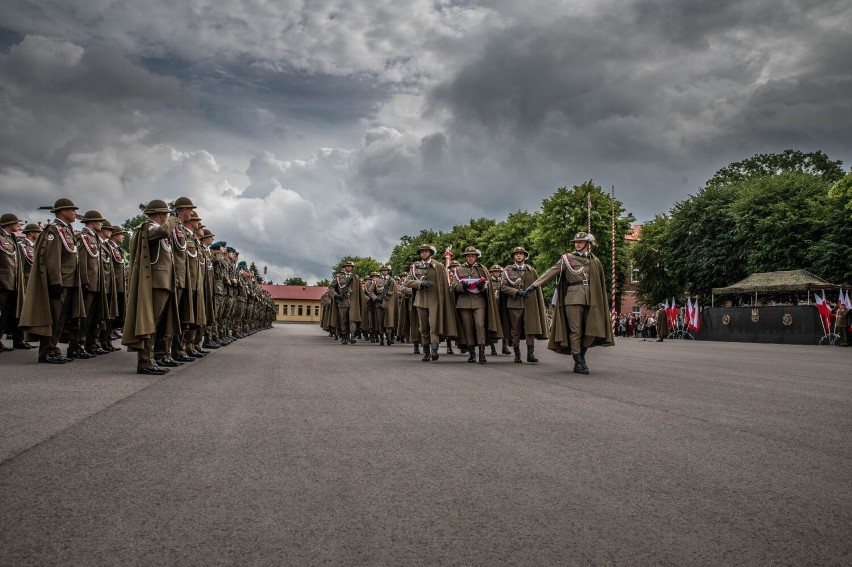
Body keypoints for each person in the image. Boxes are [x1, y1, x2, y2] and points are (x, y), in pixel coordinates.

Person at [520, 232, 614, 374]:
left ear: (588, 244)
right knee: (576, 330)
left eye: (581, 242)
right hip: (573, 297)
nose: (577, 244)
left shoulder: (595, 261)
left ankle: (581, 355)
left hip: (592, 298)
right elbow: (550, 272)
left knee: (592, 329)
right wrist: (533, 286)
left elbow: (600, 282)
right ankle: (578, 361)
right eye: (576, 242)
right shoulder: (567, 259)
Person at [20, 198, 86, 364]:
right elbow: (52, 258)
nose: (75, 213)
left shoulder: (67, 230)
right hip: (61, 281)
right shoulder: (54, 231)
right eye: (72, 210)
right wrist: (56, 281)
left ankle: (53, 348)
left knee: (62, 319)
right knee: (54, 317)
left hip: (70, 281)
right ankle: (46, 351)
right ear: (63, 211)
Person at [121, 199, 181, 375]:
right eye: (167, 214)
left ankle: (152, 357)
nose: (169, 217)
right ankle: (145, 361)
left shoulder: (156, 228)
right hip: (155, 283)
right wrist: (174, 219)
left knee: (156, 324)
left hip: (163, 282)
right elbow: (162, 232)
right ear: (161, 214)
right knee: (150, 323)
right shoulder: (148, 228)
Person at [403, 244, 458, 361]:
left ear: (430, 253)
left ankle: (434, 350)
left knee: (434, 325)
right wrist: (420, 284)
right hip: (420, 300)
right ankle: (426, 351)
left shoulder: (438, 266)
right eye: (422, 251)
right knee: (424, 327)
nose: (424, 253)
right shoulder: (415, 267)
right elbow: (407, 282)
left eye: (426, 251)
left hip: (435, 300)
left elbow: (444, 284)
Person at [450, 246, 501, 364]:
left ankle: (482, 353)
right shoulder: (458, 270)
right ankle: (472, 353)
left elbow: (488, 286)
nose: (470, 258)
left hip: (479, 301)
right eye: (468, 256)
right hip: (464, 302)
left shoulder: (482, 269)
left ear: (476, 257)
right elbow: (453, 285)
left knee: (480, 325)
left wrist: (482, 287)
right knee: (468, 327)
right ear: (465, 257)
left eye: (473, 256)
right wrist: (462, 287)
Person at [500, 246, 548, 363]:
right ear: (513, 256)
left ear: (525, 256)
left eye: (521, 254)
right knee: (515, 330)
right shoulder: (508, 270)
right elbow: (503, 287)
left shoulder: (531, 271)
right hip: (514, 304)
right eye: (516, 254)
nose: (519, 255)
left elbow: (537, 288)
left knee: (530, 329)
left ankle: (530, 354)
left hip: (530, 303)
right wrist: (516, 292)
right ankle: (517, 354)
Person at [0, 213, 24, 352]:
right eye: (16, 223)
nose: (18, 225)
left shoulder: (12, 238)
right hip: (2, 281)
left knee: (8, 313)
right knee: (1, 313)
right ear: (8, 223)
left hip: (12, 282)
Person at [330, 261, 362, 344]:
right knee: (343, 319)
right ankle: (344, 335)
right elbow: (331, 288)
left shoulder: (355, 277)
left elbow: (359, 291)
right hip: (343, 301)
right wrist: (337, 295)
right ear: (344, 267)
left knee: (353, 319)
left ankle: (353, 336)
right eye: (347, 266)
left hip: (353, 302)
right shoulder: (338, 276)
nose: (349, 267)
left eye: (350, 266)